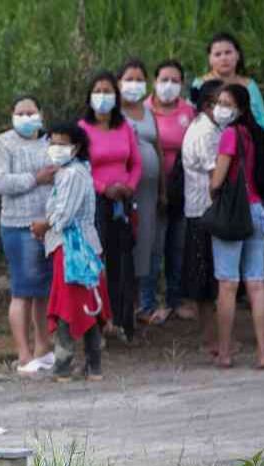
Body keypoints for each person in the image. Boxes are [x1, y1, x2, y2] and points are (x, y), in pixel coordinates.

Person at [31, 122, 112, 381]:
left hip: (74, 249)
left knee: (70, 305)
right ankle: (92, 366)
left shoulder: (72, 174)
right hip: (76, 248)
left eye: (62, 143)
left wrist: (44, 225)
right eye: (53, 143)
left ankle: (63, 365)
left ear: (75, 148)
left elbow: (64, 216)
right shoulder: (72, 171)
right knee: (86, 303)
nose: (56, 148)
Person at [0, 95, 55, 375]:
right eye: (21, 113)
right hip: (19, 226)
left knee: (43, 291)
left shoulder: (51, 142)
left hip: (50, 225)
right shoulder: (3, 144)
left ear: (41, 113)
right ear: (12, 115)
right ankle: (23, 355)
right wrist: (35, 178)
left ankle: (43, 348)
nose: (27, 117)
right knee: (23, 290)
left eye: (31, 112)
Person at [208, 84, 264, 369]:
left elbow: (218, 179)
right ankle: (263, 353)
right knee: (256, 283)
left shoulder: (230, 134)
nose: (220, 108)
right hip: (257, 210)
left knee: (228, 284)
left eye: (226, 103)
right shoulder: (257, 135)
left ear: (240, 109)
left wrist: (212, 188)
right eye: (218, 102)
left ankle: (225, 352)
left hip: (234, 214)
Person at [79, 70, 142, 342]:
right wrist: (104, 188)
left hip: (122, 203)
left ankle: (123, 321)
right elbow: (80, 167)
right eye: (98, 91)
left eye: (108, 91)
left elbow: (136, 163)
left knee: (123, 262)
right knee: (96, 262)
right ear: (89, 96)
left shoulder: (124, 126)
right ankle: (96, 323)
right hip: (95, 202)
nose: (103, 96)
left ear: (116, 97)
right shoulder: (82, 128)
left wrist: (129, 186)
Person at [146, 59, 197, 321]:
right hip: (150, 187)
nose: (169, 85)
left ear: (182, 83)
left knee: (177, 246)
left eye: (175, 80)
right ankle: (149, 301)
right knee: (153, 247)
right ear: (154, 81)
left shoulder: (189, 112)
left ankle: (176, 298)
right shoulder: (143, 110)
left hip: (182, 188)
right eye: (164, 79)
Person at [118, 59, 166, 325]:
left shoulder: (148, 113)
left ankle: (140, 306)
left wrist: (163, 190)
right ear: (118, 83)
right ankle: (121, 309)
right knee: (124, 245)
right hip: (124, 191)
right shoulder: (113, 113)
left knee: (145, 245)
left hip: (149, 193)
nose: (134, 84)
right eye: (129, 79)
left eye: (139, 79)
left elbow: (158, 150)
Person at [181, 79, 225, 356]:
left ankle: (214, 338)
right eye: (224, 102)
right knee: (207, 280)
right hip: (205, 212)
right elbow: (215, 177)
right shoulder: (206, 132)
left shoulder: (207, 126)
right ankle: (212, 340)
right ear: (210, 104)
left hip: (204, 211)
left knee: (209, 278)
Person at [190, 33, 264, 133]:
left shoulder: (249, 85)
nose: (223, 58)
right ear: (210, 59)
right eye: (218, 54)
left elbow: (263, 122)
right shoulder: (199, 84)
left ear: (238, 55)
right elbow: (191, 116)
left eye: (228, 52)